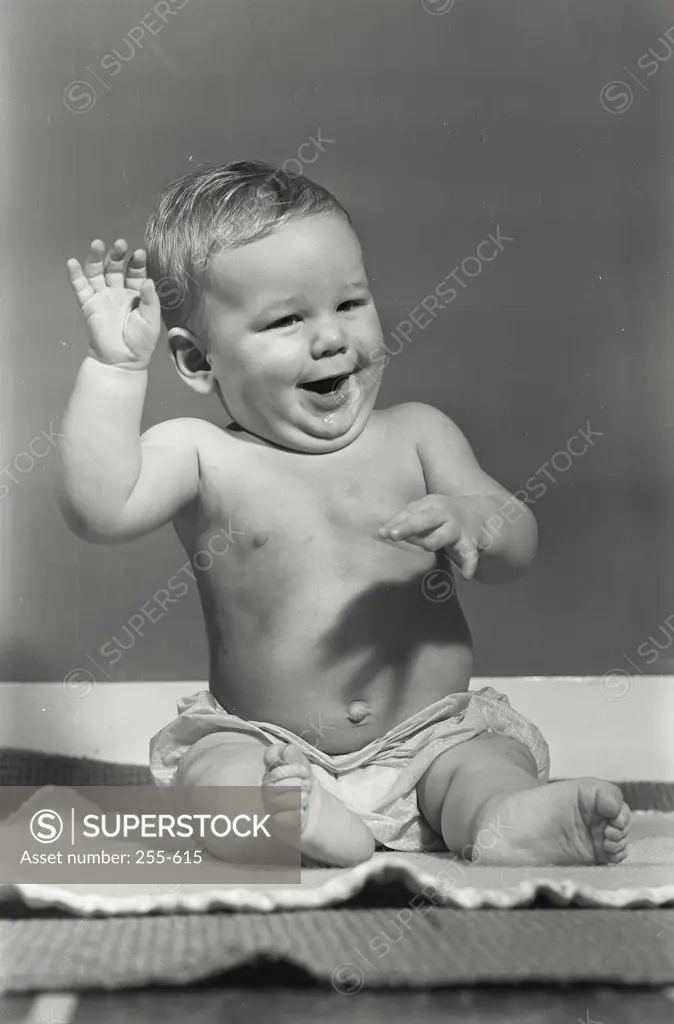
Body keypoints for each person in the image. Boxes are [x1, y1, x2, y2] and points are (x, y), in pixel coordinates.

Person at [59, 161, 630, 868]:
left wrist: (475, 520)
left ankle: (502, 820)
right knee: (216, 778)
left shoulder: (419, 434)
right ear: (198, 362)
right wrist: (113, 370)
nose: (330, 338)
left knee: (481, 764)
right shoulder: (202, 454)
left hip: (432, 737)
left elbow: (517, 548)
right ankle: (302, 825)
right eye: (287, 319)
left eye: (350, 304)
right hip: (271, 747)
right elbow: (100, 509)